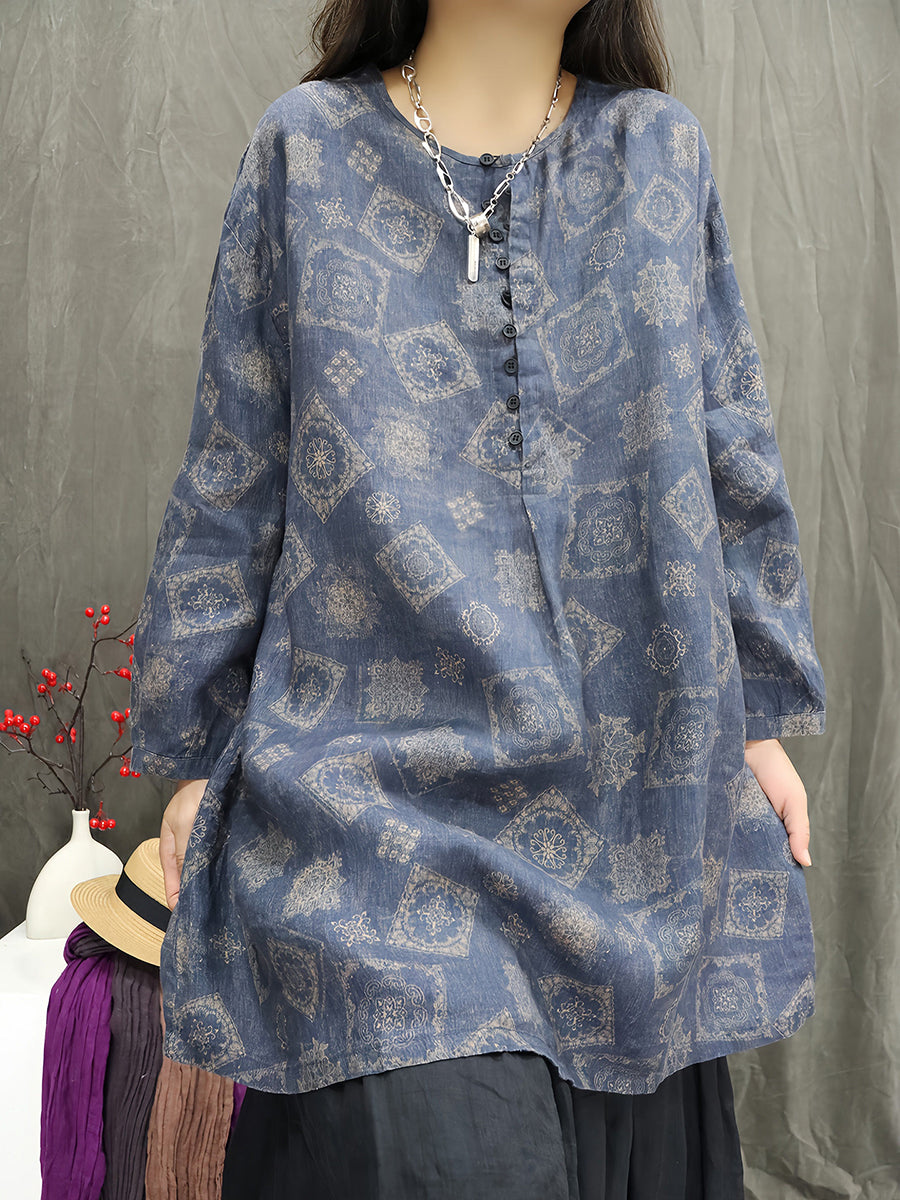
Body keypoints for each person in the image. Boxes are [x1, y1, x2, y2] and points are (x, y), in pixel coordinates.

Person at [127, 0, 827, 1195]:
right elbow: (236, 463)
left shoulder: (659, 150)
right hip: (367, 812)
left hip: (638, 804)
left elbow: (729, 436)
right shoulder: (307, 148)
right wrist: (198, 752)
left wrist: (756, 718)